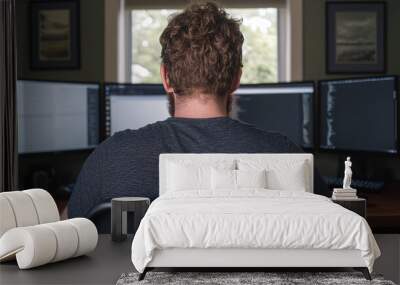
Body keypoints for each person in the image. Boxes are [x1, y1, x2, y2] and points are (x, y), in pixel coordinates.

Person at [68, 2, 327, 225]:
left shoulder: (111, 154)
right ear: (236, 79)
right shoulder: (288, 157)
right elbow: (335, 235)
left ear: (166, 78)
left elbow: (68, 232)